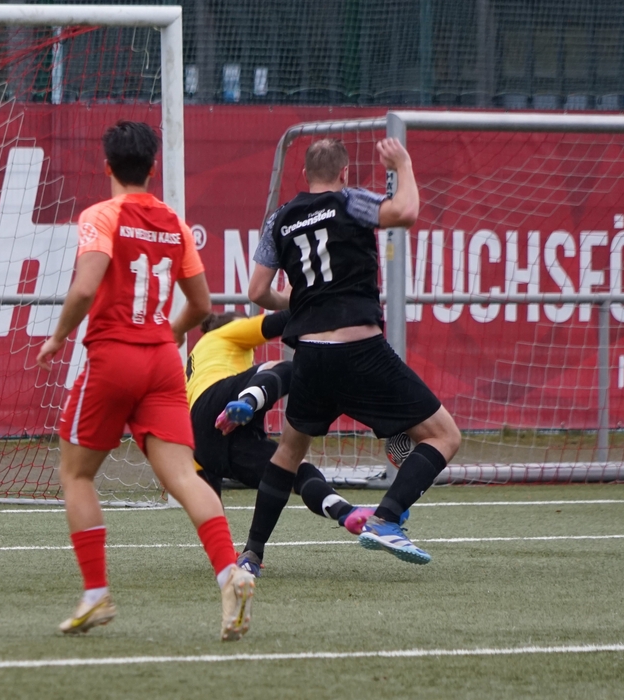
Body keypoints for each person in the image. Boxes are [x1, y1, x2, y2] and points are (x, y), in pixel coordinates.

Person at [35, 121, 254, 641]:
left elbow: (85, 287)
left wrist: (58, 336)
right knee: (185, 477)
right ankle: (230, 573)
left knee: (77, 475)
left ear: (107, 166)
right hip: (161, 362)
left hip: (114, 357)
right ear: (153, 167)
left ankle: (96, 594)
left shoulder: (101, 215)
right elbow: (201, 305)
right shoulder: (175, 223)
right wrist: (164, 336)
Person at [243, 137, 462, 566]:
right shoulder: (350, 200)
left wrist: (301, 299)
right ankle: (386, 518)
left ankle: (252, 552)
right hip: (359, 351)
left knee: (288, 453)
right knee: (444, 436)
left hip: (309, 356)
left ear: (304, 174)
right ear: (344, 172)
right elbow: (406, 212)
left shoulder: (279, 219)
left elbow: (257, 291)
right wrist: (403, 163)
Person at [186, 310, 391, 576]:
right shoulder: (222, 334)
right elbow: (285, 320)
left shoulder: (193, 369)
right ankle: (249, 400)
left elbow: (207, 497)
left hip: (203, 443)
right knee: (286, 367)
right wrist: (328, 307)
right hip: (218, 402)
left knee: (291, 470)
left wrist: (222, 550)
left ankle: (345, 511)